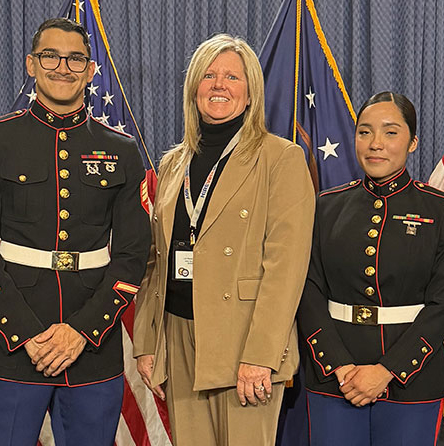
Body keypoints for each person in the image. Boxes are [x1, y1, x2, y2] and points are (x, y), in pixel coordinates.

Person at [0, 18, 150, 445]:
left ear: (91, 70)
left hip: (91, 344)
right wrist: (24, 332)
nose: (63, 67)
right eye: (50, 55)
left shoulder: (121, 149)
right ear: (31, 64)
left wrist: (82, 330)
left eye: (76, 58)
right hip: (12, 342)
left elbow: (133, 253)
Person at [132, 33, 315, 445]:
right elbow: (154, 262)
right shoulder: (172, 163)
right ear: (193, 87)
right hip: (178, 335)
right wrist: (147, 341)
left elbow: (286, 270)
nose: (219, 85)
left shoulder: (280, 158)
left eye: (232, 77)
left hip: (244, 341)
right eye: (209, 75)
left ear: (250, 93)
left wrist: (260, 357)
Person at [296, 92, 444, 445]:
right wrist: (340, 367)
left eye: (391, 132)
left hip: (412, 378)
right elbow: (307, 291)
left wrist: (389, 370)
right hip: (333, 375)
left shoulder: (442, 209)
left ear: (413, 141)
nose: (375, 144)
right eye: (365, 132)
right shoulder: (326, 207)